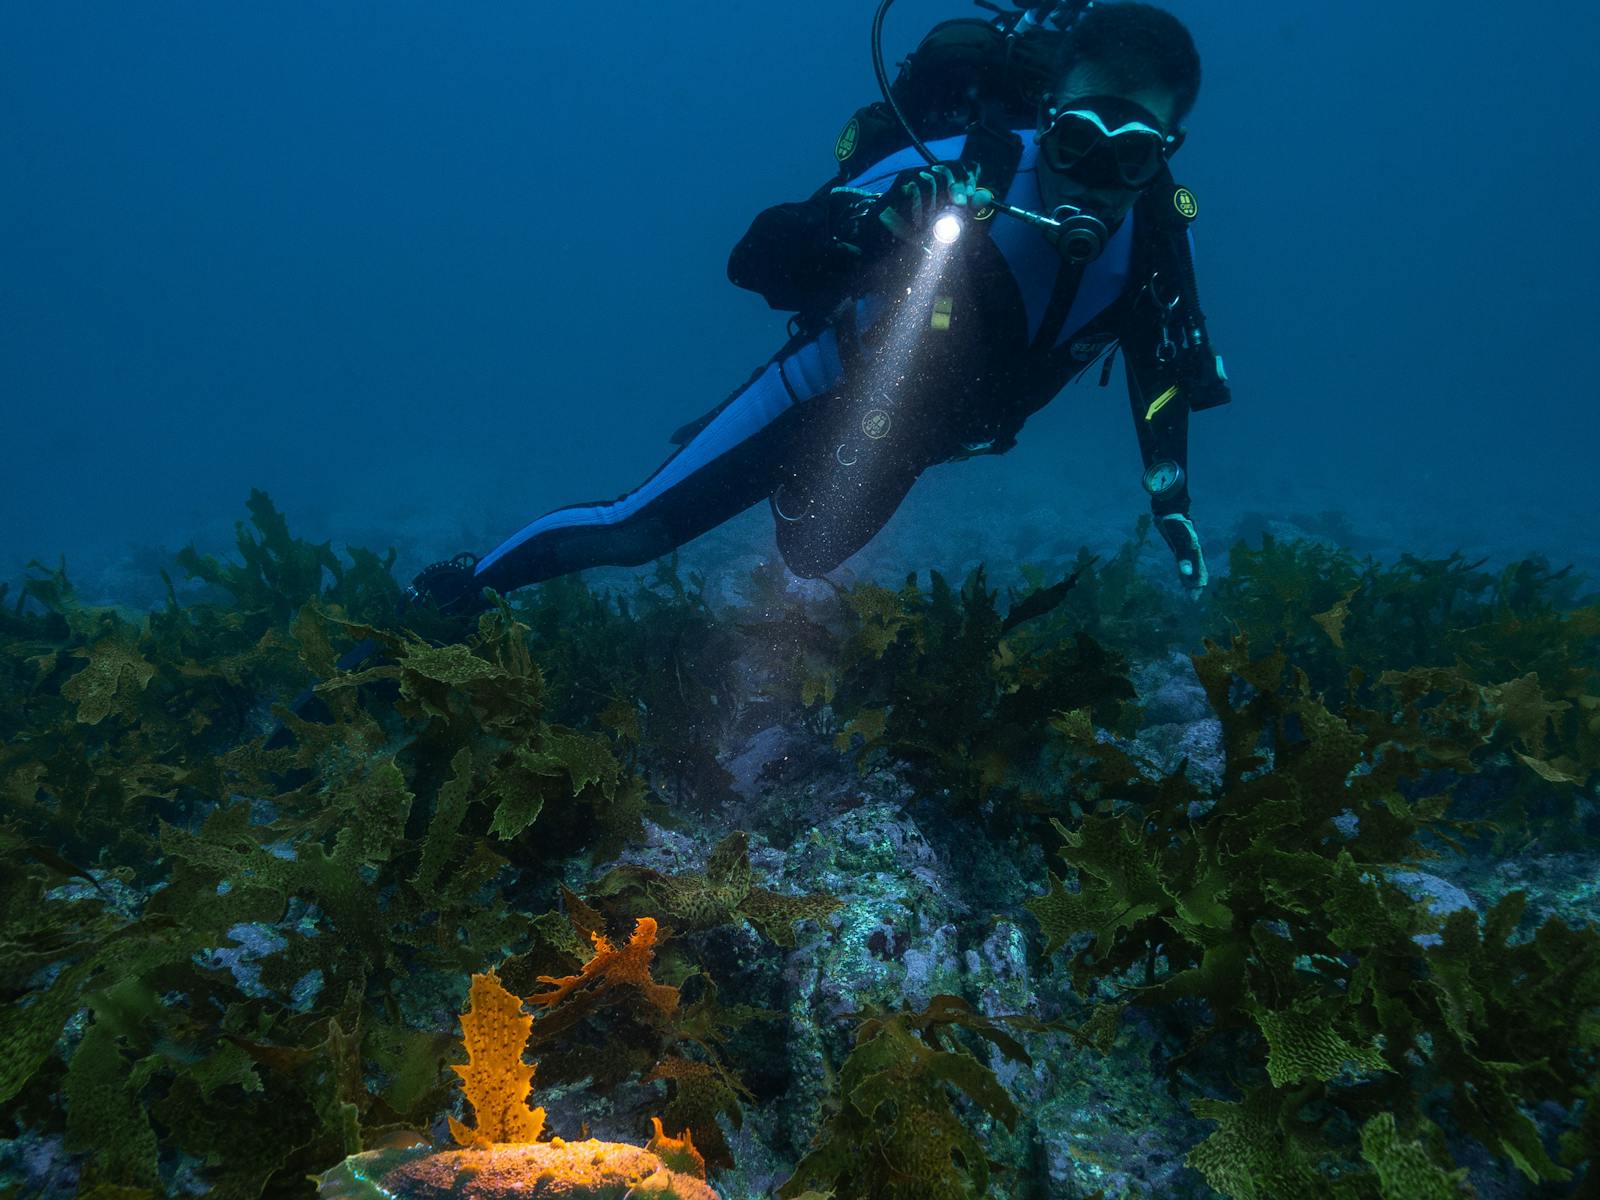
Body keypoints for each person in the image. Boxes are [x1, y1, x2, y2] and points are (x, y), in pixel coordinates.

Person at [408, 1, 1230, 615]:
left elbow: (1160, 360)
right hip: (818, 391)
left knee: (808, 554)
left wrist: (1170, 493)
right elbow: (753, 259)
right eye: (1076, 142)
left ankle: (784, 476)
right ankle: (451, 596)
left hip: (918, 434)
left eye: (1132, 157)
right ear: (1047, 117)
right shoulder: (960, 170)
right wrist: (867, 228)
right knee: (635, 532)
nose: (1094, 180)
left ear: (1168, 151)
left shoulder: (1157, 239)